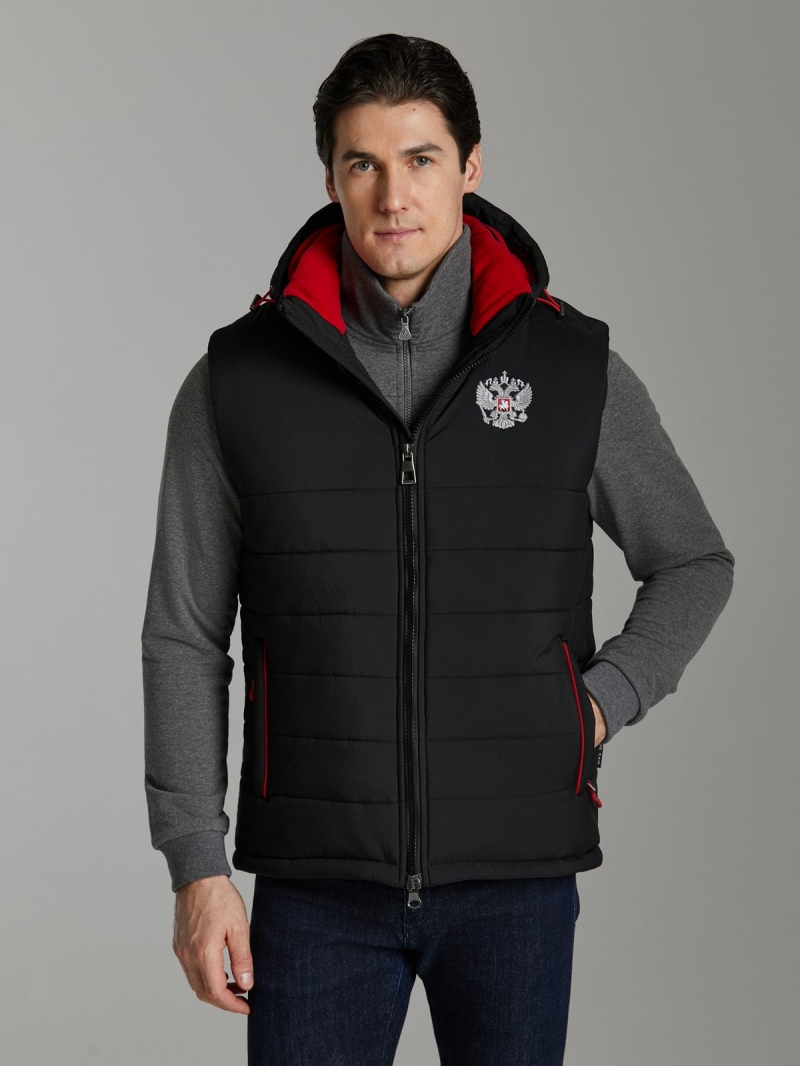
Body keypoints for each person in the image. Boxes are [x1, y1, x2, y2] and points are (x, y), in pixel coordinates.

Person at [141, 32, 735, 1065]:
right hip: (316, 886)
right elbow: (184, 635)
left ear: (470, 165)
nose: (392, 197)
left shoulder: (571, 369)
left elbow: (692, 561)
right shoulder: (236, 381)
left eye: (419, 158)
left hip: (515, 882)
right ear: (330, 177)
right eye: (361, 164)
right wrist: (197, 865)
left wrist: (596, 704)